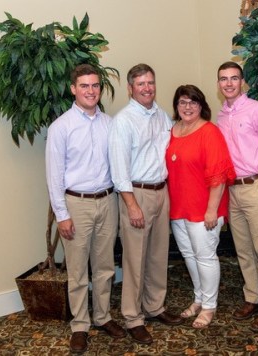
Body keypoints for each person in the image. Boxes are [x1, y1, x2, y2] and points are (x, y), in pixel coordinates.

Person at [45, 64, 125, 354]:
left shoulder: (109, 123)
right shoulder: (61, 127)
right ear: (73, 89)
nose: (90, 91)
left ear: (99, 89)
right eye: (84, 86)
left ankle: (103, 316)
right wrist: (62, 215)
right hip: (75, 204)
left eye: (95, 86)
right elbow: (54, 176)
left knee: (104, 267)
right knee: (78, 271)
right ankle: (80, 324)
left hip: (108, 201)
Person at [108, 63, 183, 345]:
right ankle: (132, 317)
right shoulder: (123, 121)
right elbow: (119, 169)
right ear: (130, 88)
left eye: (150, 82)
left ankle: (154, 307)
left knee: (157, 255)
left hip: (161, 192)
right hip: (136, 195)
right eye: (141, 84)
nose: (147, 88)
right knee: (134, 259)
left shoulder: (161, 115)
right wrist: (131, 205)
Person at [216, 61, 258, 332]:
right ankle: (252, 297)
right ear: (218, 84)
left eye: (233, 78)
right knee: (243, 249)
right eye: (223, 79)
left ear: (243, 82)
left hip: (255, 186)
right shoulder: (220, 116)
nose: (228, 83)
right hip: (233, 189)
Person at [166, 85, 236, 329]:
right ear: (176, 105)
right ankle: (199, 298)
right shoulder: (173, 131)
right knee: (189, 256)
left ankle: (209, 306)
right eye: (183, 102)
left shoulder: (210, 132)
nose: (187, 107)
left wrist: (211, 210)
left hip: (204, 210)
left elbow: (219, 175)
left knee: (205, 257)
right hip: (178, 208)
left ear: (201, 105)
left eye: (193, 102)